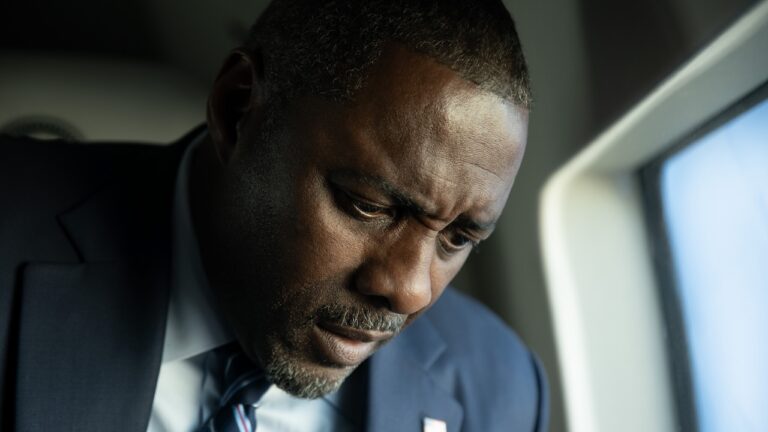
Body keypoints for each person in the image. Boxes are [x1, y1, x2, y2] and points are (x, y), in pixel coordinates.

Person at [0, 0, 549, 431]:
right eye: (369, 205)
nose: (410, 291)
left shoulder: (501, 390)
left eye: (457, 238)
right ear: (238, 109)